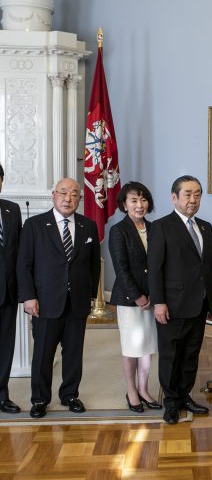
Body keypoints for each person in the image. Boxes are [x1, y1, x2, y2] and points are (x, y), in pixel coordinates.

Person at [16, 178, 100, 418]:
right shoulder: (34, 225)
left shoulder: (88, 226)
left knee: (74, 353)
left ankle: (70, 395)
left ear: (80, 199)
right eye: (63, 193)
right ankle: (40, 399)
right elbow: (24, 265)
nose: (68, 198)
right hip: (45, 302)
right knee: (43, 354)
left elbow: (94, 265)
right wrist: (29, 297)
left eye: (74, 194)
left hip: (77, 303)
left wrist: (91, 296)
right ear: (53, 195)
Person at [148, 175, 212, 424]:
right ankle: (170, 402)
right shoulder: (161, 227)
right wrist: (158, 302)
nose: (193, 199)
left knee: (191, 354)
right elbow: (155, 268)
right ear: (174, 197)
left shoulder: (206, 227)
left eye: (198, 194)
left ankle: (184, 396)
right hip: (172, 304)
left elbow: (210, 266)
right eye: (188, 194)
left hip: (199, 303)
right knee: (171, 356)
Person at [108, 181, 161, 413]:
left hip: (153, 298)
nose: (140, 205)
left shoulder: (156, 228)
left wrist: (155, 295)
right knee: (131, 348)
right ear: (124, 204)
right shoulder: (118, 231)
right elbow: (121, 268)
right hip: (130, 300)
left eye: (143, 199)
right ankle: (131, 391)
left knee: (148, 347)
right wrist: (138, 296)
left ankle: (144, 388)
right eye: (134, 200)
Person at [0, 163, 22, 414]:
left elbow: (20, 253)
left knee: (5, 345)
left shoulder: (12, 209)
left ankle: (2, 394)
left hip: (8, 290)